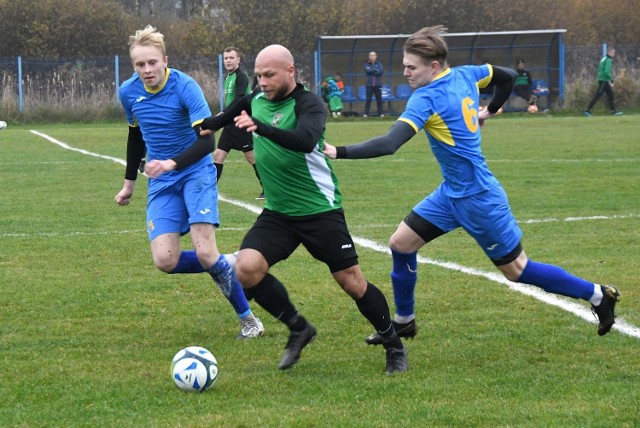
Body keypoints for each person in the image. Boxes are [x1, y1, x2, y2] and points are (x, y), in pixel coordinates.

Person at [323, 26, 620, 346]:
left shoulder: (426, 97)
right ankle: (404, 321)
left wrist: (337, 152)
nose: (405, 72)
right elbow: (506, 76)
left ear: (434, 66)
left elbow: (390, 143)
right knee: (401, 244)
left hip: (478, 197)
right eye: (405, 65)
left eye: (412, 67)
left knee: (517, 269)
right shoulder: (466, 74)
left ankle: (598, 295)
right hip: (451, 193)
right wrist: (489, 111)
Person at [200, 44, 408, 374]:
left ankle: (394, 344)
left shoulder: (309, 103)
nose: (263, 81)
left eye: (269, 75)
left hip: (319, 210)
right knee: (246, 269)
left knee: (352, 282)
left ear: (290, 72)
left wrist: (261, 128)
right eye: (259, 75)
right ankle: (299, 328)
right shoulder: (255, 99)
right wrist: (194, 127)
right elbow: (217, 121)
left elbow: (306, 140)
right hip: (279, 213)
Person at [114, 26, 264, 339]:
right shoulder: (128, 92)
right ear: (133, 66)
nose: (147, 70)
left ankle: (249, 320)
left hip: (195, 172)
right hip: (162, 182)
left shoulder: (185, 86)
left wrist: (171, 162)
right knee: (164, 260)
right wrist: (129, 184)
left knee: (206, 252)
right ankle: (229, 263)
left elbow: (207, 143)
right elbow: (135, 135)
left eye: (152, 62)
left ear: (164, 59)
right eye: (140, 65)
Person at [214, 46, 265, 199]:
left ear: (238, 60)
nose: (228, 60)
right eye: (226, 58)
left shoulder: (241, 76)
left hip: (240, 123)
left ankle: (269, 187)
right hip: (230, 124)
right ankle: (209, 191)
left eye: (231, 58)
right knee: (218, 156)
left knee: (251, 157)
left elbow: (239, 100)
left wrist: (223, 114)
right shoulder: (227, 78)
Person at [584, 47, 623, 116]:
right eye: (613, 52)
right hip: (604, 80)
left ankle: (614, 111)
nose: (614, 54)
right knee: (597, 95)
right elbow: (607, 72)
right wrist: (611, 81)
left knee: (611, 95)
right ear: (609, 52)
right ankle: (587, 110)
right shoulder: (608, 60)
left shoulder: (603, 59)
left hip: (601, 79)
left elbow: (599, 69)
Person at [364, 51, 384, 117]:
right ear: (369, 57)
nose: (372, 57)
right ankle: (366, 114)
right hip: (369, 85)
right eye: (371, 55)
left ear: (376, 56)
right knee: (368, 100)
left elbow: (380, 72)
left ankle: (380, 114)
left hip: (378, 84)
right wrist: (376, 69)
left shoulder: (379, 64)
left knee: (379, 99)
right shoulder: (366, 64)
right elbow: (368, 70)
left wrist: (372, 70)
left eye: (374, 55)